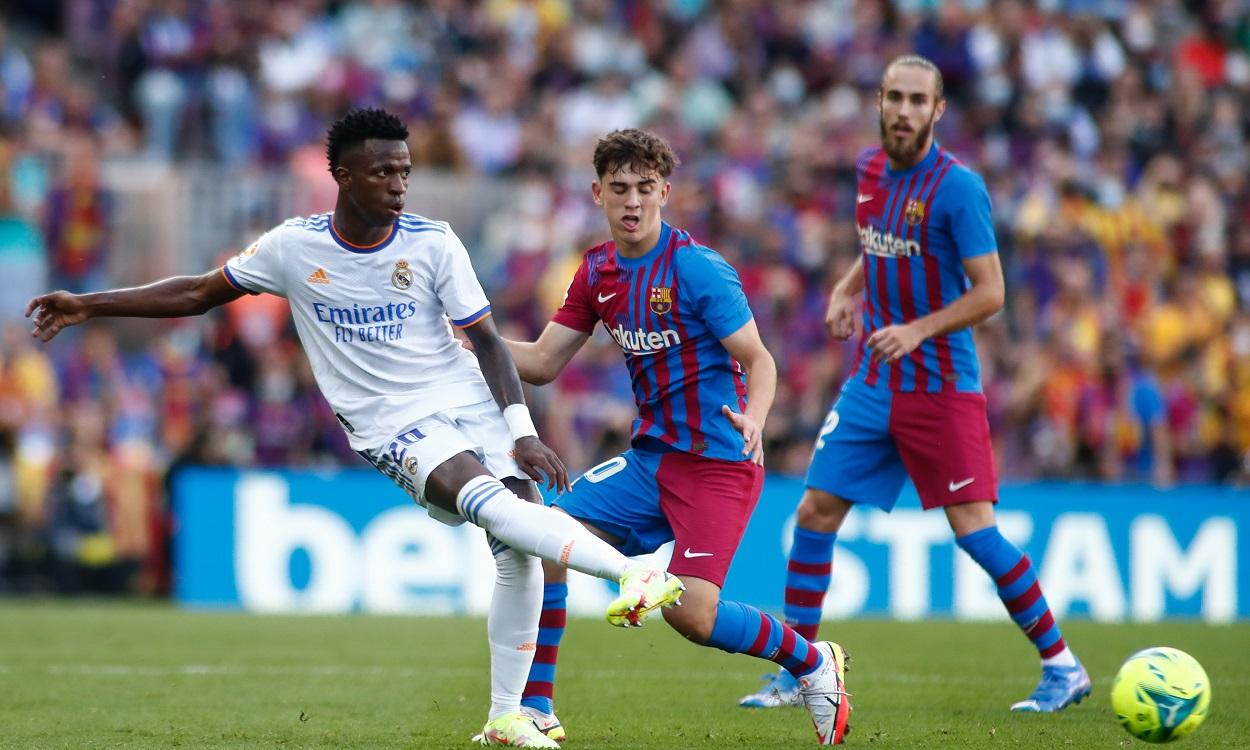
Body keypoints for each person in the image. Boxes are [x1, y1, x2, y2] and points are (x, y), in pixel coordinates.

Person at [25, 108, 684, 748]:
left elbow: (484, 341)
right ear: (342, 175)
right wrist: (87, 302)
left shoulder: (433, 241)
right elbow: (199, 292)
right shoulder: (293, 247)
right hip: (390, 423)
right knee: (492, 506)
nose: (398, 186)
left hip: (465, 396)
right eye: (383, 174)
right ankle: (629, 572)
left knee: (516, 545)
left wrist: (520, 428)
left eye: (404, 172)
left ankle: (507, 717)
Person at [738, 55, 1091, 714]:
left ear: (937, 110)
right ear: (879, 100)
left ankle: (1063, 666)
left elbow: (991, 293)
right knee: (814, 512)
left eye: (916, 100)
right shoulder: (870, 170)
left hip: (939, 384)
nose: (903, 110)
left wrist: (919, 329)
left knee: (976, 532)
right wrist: (848, 288)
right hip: (874, 381)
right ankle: (798, 672)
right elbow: (880, 243)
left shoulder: (959, 189)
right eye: (894, 97)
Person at [504, 129, 851, 745]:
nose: (632, 201)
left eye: (644, 188)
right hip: (649, 463)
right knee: (543, 539)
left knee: (691, 617)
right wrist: (468, 340)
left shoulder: (697, 269)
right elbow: (539, 362)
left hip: (718, 464)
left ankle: (812, 661)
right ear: (597, 194)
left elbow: (759, 359)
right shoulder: (597, 272)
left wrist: (757, 417)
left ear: (665, 191)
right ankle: (535, 709)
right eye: (619, 189)